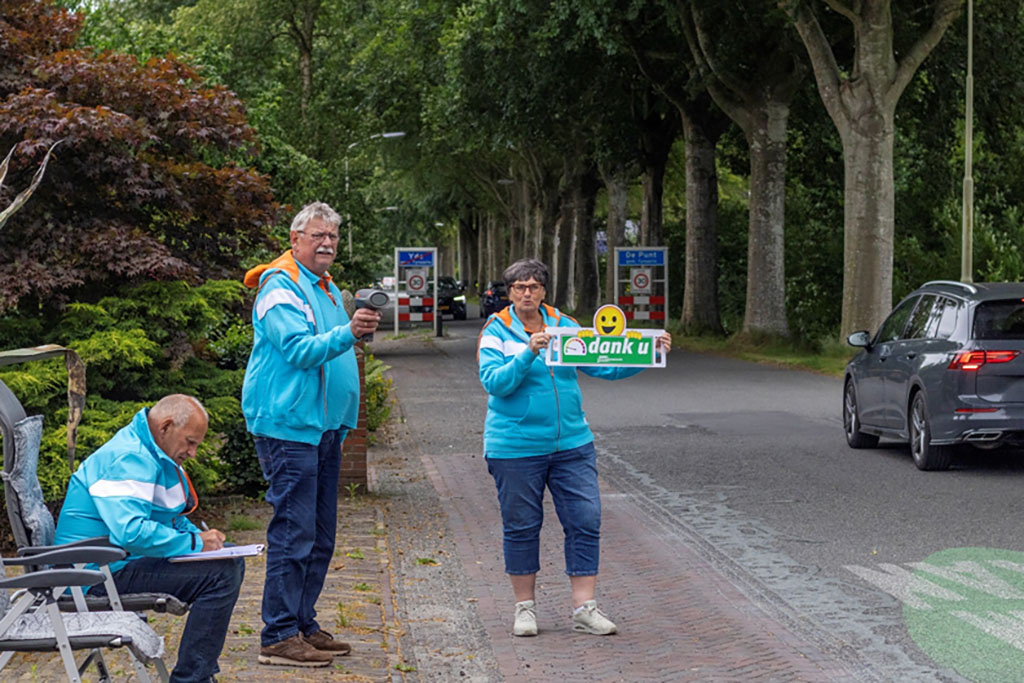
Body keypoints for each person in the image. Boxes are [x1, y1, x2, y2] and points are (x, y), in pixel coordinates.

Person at [477, 258, 671, 637]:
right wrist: (527, 352)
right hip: (515, 446)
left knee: (585, 519)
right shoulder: (495, 331)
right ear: (509, 292)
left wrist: (651, 353)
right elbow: (494, 383)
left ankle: (585, 608)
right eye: (519, 287)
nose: (527, 293)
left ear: (545, 291)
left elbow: (605, 364)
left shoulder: (565, 326)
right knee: (521, 526)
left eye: (534, 286)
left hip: (572, 445)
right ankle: (525, 609)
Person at [241, 201, 380, 667]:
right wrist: (350, 333)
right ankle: (277, 634)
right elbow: (300, 350)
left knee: (320, 533)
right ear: (295, 238)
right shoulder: (279, 286)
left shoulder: (324, 286)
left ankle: (301, 622)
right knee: (294, 530)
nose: (326, 244)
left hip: (320, 428)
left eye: (333, 238)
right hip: (288, 426)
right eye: (317, 236)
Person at [55, 394, 244, 683]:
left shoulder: (151, 450)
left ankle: (196, 675)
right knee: (222, 571)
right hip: (91, 577)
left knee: (226, 557)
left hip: (112, 564)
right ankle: (193, 679)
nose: (192, 453)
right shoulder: (129, 457)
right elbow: (131, 532)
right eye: (190, 442)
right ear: (166, 426)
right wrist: (196, 544)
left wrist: (199, 537)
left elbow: (165, 516)